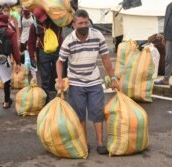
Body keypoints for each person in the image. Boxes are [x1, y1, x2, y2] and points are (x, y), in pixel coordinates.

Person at [56, 9, 120, 155]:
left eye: (86, 22)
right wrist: (60, 79)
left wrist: (113, 78)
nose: (84, 25)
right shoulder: (69, 40)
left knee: (97, 112)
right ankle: (84, 143)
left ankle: (100, 143)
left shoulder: (97, 36)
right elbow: (60, 62)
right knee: (79, 114)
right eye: (80, 23)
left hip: (94, 80)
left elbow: (105, 58)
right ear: (74, 24)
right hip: (76, 82)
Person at [28, 7, 62, 103]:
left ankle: (58, 96)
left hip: (57, 51)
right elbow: (31, 42)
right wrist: (32, 57)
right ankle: (46, 99)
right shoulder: (34, 25)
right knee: (45, 76)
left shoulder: (57, 22)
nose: (43, 20)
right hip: (43, 53)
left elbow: (69, 23)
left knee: (57, 75)